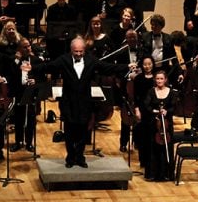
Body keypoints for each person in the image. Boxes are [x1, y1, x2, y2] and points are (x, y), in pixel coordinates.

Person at [29, 37, 130, 168]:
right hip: (68, 102)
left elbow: (107, 68)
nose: (78, 54)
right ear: (71, 50)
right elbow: (48, 67)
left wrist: (126, 66)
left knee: (83, 131)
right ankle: (70, 157)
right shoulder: (64, 60)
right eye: (76, 51)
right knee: (69, 131)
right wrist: (31, 68)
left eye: (80, 51)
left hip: (85, 102)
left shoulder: (90, 60)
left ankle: (80, 157)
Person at [137, 69, 177, 181]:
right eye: (158, 79)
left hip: (167, 126)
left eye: (161, 79)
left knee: (166, 148)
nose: (159, 81)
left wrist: (167, 111)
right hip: (154, 124)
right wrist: (155, 111)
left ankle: (166, 174)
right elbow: (146, 105)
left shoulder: (172, 92)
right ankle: (153, 174)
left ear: (165, 80)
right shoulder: (151, 91)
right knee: (153, 148)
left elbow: (174, 107)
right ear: (155, 80)